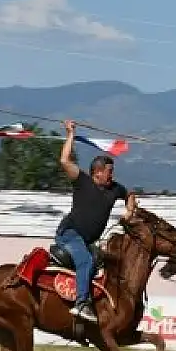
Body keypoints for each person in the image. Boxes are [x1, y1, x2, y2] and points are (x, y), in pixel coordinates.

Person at [56, 120, 136, 322]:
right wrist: (70, 134)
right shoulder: (82, 181)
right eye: (109, 171)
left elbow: (130, 194)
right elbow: (64, 160)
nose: (113, 175)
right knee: (86, 261)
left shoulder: (115, 189)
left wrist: (129, 211)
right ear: (97, 172)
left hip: (88, 241)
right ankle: (82, 303)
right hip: (70, 234)